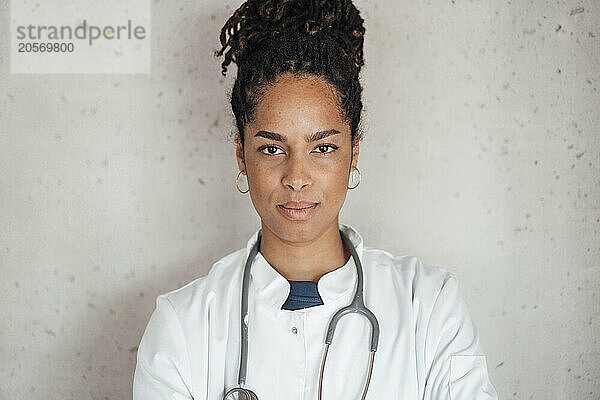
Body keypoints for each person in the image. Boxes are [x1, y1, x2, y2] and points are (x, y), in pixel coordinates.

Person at [133, 0, 499, 398]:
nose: (296, 179)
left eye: (322, 148)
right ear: (242, 154)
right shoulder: (183, 328)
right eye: (272, 149)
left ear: (353, 151)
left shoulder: (429, 307)